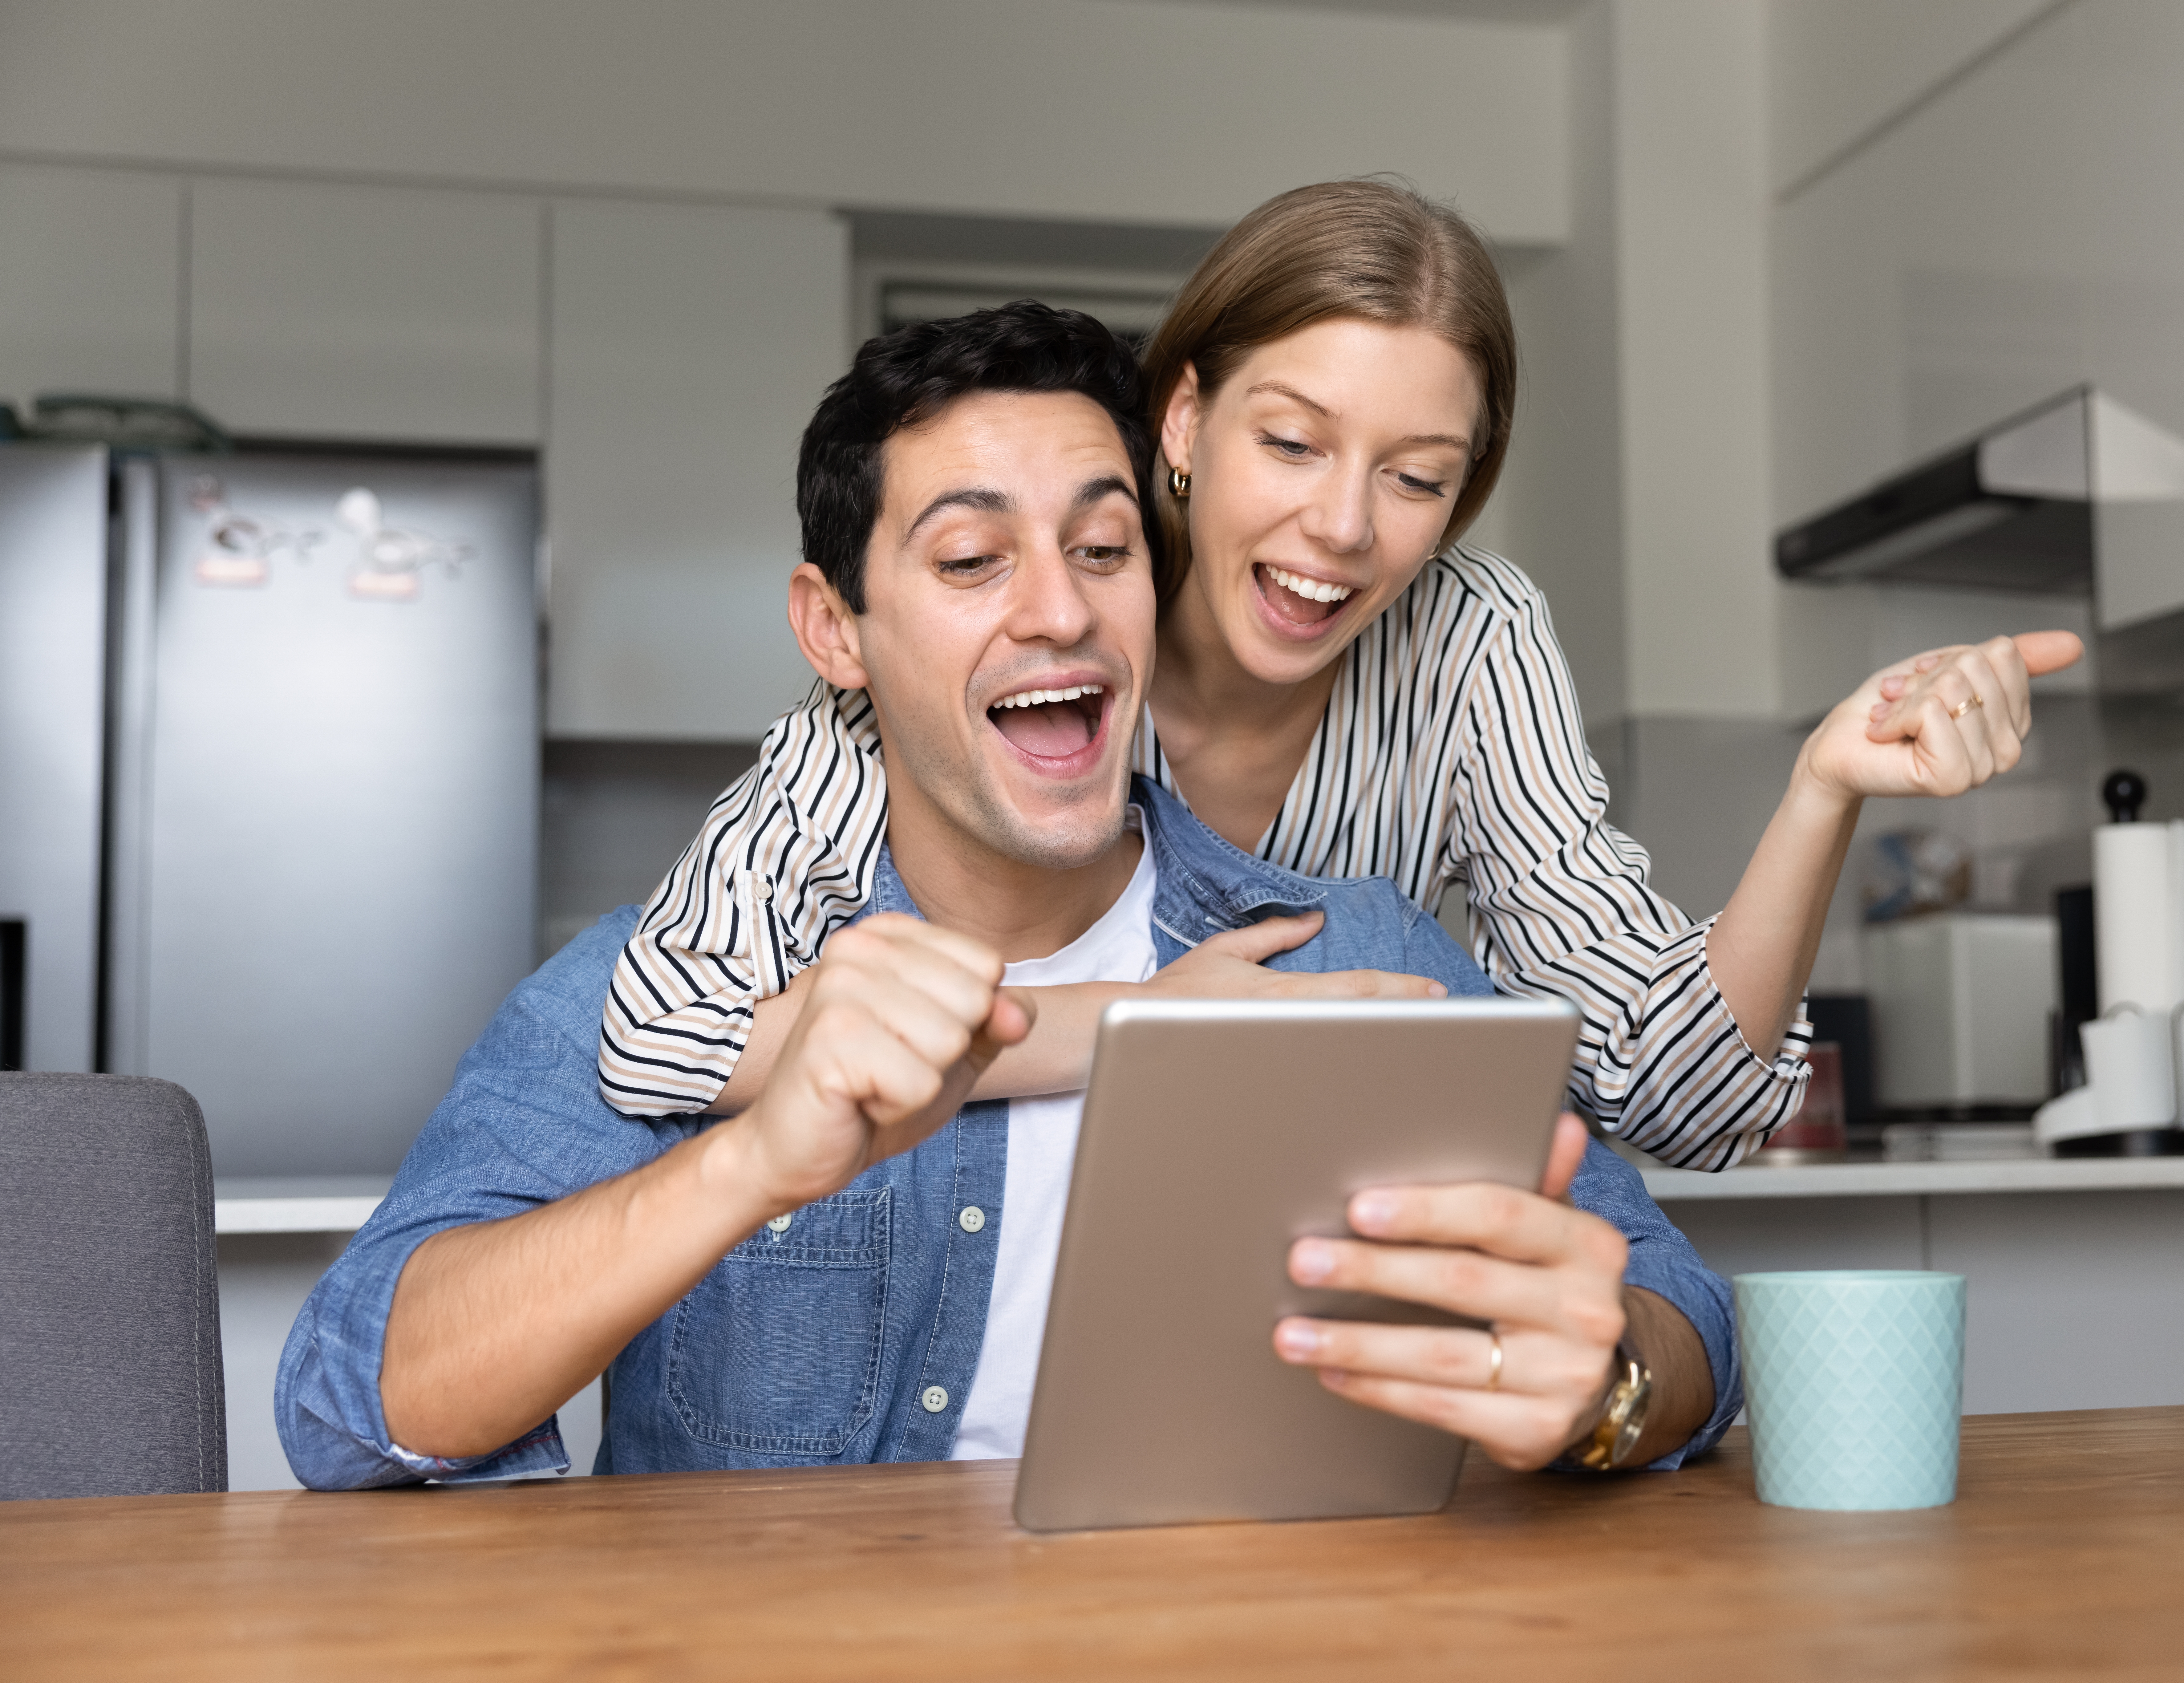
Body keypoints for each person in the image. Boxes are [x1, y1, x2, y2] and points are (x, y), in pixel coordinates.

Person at [277, 303, 1735, 1488]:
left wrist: (1602, 1382)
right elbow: (352, 1399)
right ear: (834, 631)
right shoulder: (707, 973)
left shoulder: (1355, 960)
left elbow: (1683, 1321)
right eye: (972, 559)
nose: (1057, 605)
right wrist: (750, 1162)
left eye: (1104, 550)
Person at [599, 179, 2081, 1170]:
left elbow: (1671, 1099)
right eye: (1291, 443)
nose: (1342, 528)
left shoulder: (1466, 641)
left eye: (1416, 476)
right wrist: (1130, 1030)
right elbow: (661, 1029)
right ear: (1180, 421)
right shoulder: (1012, 642)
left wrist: (1823, 786)